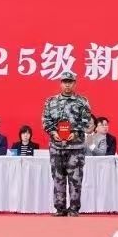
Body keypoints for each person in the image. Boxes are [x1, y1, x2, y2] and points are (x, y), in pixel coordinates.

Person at [41, 70, 93, 216]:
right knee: (58, 178)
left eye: (70, 82)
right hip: (56, 146)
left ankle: (74, 209)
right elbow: (46, 120)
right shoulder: (51, 101)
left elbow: (86, 120)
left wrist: (75, 132)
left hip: (75, 147)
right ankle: (60, 208)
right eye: (65, 82)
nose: (67, 85)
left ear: (74, 83)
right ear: (61, 83)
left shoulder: (82, 101)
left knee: (75, 178)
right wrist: (53, 132)